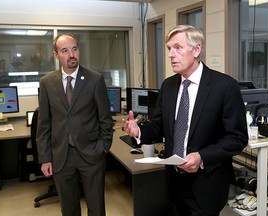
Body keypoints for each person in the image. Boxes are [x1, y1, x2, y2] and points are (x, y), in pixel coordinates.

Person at [122, 25, 248, 216]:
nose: (171, 54)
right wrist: (138, 131)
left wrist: (201, 157)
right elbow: (159, 126)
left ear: (197, 50)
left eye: (178, 47)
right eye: (169, 49)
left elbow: (237, 138)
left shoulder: (224, 86)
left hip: (207, 183)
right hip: (174, 183)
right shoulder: (169, 85)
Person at [36, 34, 114, 216]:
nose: (71, 54)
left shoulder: (95, 79)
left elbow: (105, 119)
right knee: (69, 208)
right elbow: (44, 123)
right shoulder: (47, 83)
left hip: (91, 153)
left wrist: (102, 147)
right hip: (61, 155)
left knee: (96, 208)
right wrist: (45, 157)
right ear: (56, 55)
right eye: (65, 51)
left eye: (75, 49)